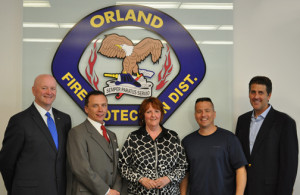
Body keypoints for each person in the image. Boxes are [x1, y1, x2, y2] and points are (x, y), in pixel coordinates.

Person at [0, 74, 72, 195]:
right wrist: (16, 189)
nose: (49, 92)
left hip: (59, 190)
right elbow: (6, 161)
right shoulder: (19, 121)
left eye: (53, 88)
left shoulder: (64, 119)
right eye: (44, 88)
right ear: (34, 90)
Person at [235, 76, 298, 195]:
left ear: (269, 95)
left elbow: (289, 166)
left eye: (261, 93)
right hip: (245, 189)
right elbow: (238, 157)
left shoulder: (285, 122)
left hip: (271, 191)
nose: (256, 96)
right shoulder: (242, 120)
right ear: (249, 94)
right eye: (253, 92)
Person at [118, 97, 187, 195]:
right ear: (143, 115)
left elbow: (183, 166)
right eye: (148, 112)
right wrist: (140, 179)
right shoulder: (133, 138)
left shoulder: (172, 137)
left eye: (156, 111)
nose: (153, 115)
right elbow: (122, 166)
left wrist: (168, 178)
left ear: (161, 114)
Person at [181, 97, 247, 195]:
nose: (203, 115)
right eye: (199, 111)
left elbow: (240, 170)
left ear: (214, 114)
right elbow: (185, 174)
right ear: (195, 115)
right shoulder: (187, 141)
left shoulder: (229, 139)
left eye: (207, 111)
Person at [67, 90, 122, 195]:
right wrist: (106, 191)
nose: (101, 110)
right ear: (86, 109)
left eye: (103, 105)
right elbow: (81, 169)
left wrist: (115, 190)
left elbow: (117, 166)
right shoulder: (77, 133)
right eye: (95, 106)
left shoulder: (111, 135)